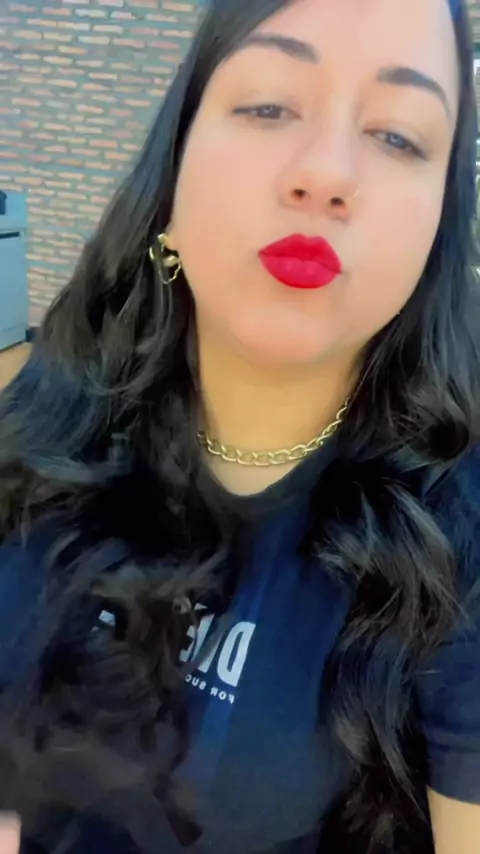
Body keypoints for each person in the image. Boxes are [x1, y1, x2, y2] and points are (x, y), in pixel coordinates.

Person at [0, 0, 479, 851]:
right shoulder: (49, 397)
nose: (326, 173)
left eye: (398, 135)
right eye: (267, 106)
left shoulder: (459, 528)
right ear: (173, 172)